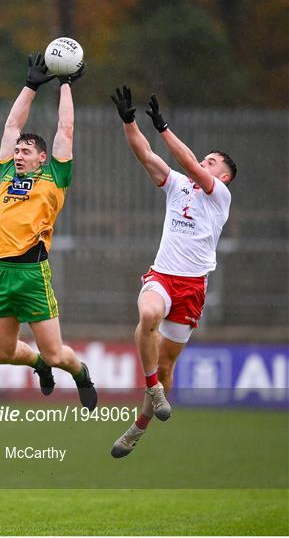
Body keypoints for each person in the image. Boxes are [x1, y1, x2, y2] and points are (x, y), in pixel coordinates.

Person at [110, 86, 237, 457]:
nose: (206, 162)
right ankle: (152, 388)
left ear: (224, 177)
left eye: (214, 162)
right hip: (163, 276)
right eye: (208, 158)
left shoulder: (219, 197)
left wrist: (164, 127)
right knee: (148, 313)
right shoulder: (178, 186)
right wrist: (128, 121)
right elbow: (144, 155)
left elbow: (190, 165)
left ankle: (137, 428)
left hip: (192, 288)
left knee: (167, 366)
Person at [0, 53, 97, 411]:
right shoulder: (7, 175)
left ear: (42, 158)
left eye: (26, 151)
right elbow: (10, 126)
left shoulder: (54, 178)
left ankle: (80, 374)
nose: (18, 154)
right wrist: (31, 85)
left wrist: (65, 83)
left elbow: (65, 130)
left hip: (33, 274)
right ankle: (37, 366)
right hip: (1, 272)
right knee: (1, 354)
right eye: (17, 150)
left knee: (57, 353)